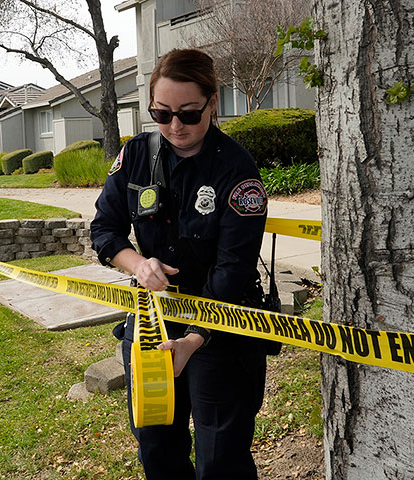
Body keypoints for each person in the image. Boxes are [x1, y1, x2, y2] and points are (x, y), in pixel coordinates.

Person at [90, 48, 268, 480]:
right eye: (161, 113)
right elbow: (104, 231)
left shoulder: (238, 171)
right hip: (152, 323)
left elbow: (233, 269)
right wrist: (137, 265)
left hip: (220, 327)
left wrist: (194, 338)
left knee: (220, 458)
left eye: (189, 114)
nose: (174, 126)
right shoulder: (135, 155)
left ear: (213, 103)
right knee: (157, 449)